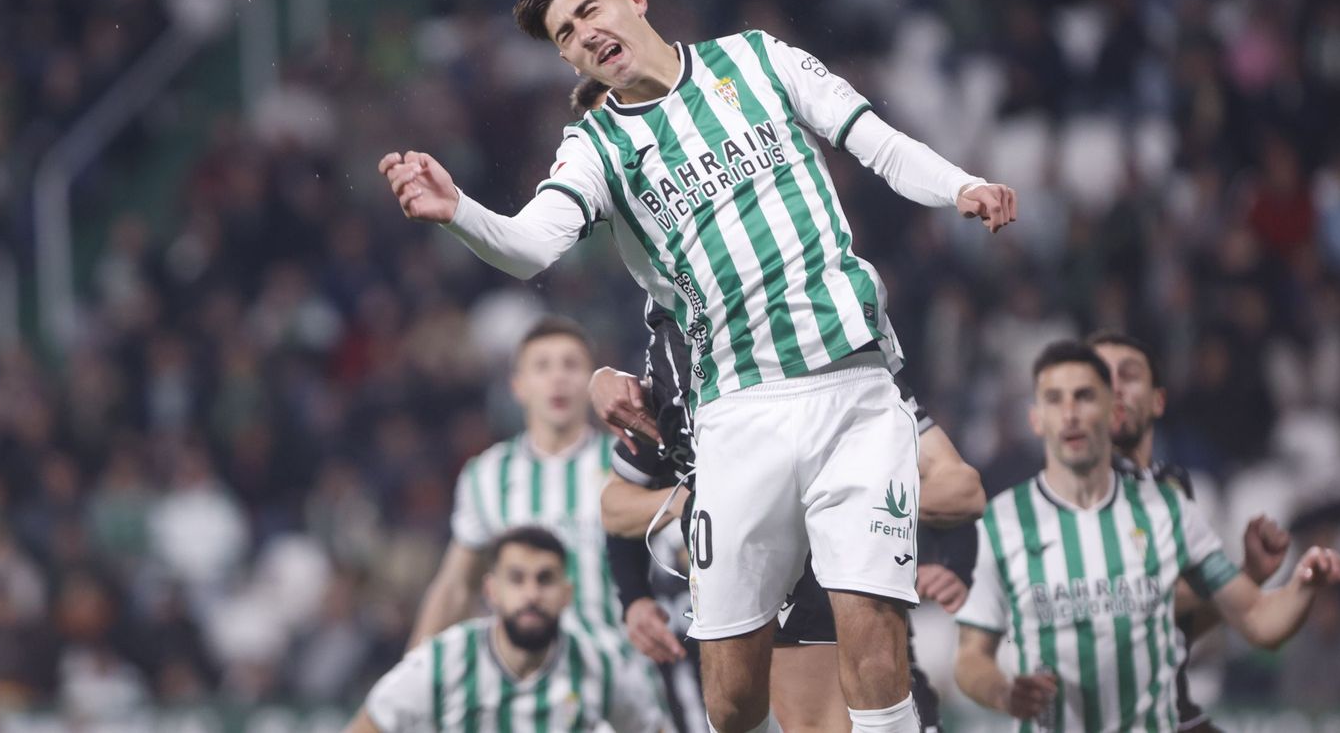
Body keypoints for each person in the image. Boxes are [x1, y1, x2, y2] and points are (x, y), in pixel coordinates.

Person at [381, 0, 1016, 733]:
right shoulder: (596, 148)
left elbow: (874, 140)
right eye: (565, 34)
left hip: (855, 390)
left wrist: (961, 186)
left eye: (591, 10)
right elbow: (529, 246)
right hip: (737, 414)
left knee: (874, 634)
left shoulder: (757, 60)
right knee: (733, 696)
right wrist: (460, 213)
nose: (585, 34)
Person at [593, 298, 984, 732]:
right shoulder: (678, 382)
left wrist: (843, 503)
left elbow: (962, 488)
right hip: (752, 610)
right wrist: (708, 502)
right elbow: (614, 506)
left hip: (839, 612)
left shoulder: (835, 364)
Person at [954, 341, 1340, 731]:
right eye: (1055, 399)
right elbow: (971, 658)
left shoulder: (1167, 509)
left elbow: (1256, 618)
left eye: (1085, 397)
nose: (1071, 414)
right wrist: (1005, 694)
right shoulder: (1004, 522)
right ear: (1036, 418)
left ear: (1111, 410)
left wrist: (1304, 583)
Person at [407, 317, 669, 717]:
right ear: (518, 386)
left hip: (624, 689)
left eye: (571, 365)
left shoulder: (631, 465)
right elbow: (456, 586)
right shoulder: (487, 474)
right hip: (522, 699)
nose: (558, 378)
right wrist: (413, 680)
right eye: (542, 366)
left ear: (591, 383)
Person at [1088, 330, 1291, 732]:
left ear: (1158, 399)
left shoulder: (1171, 487)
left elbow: (1173, 631)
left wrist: (1247, 575)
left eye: (1128, 376)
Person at [347, 526, 666, 732]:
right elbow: (369, 724)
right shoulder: (444, 660)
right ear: (491, 591)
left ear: (566, 594)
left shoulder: (598, 664)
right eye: (516, 578)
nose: (531, 594)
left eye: (545, 579)